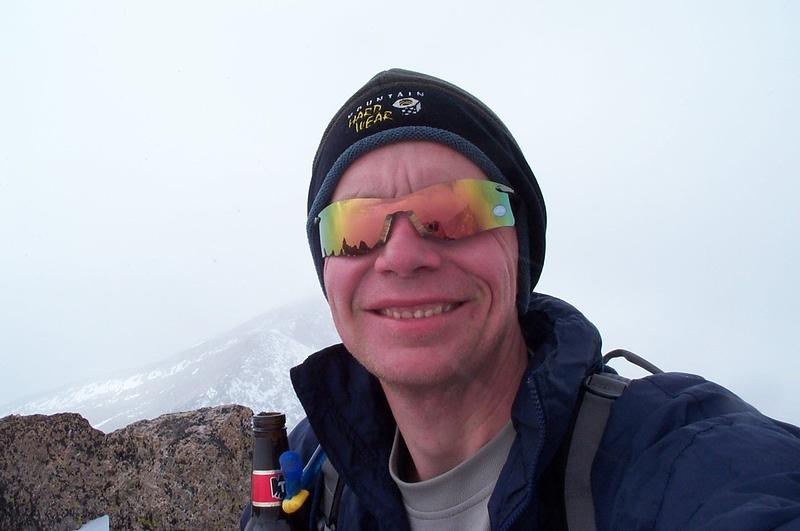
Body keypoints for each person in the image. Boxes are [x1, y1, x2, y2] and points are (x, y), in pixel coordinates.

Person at [246, 69, 800, 530]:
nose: (402, 255)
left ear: (520, 252)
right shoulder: (319, 465)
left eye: (454, 212)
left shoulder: (669, 454)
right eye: (355, 227)